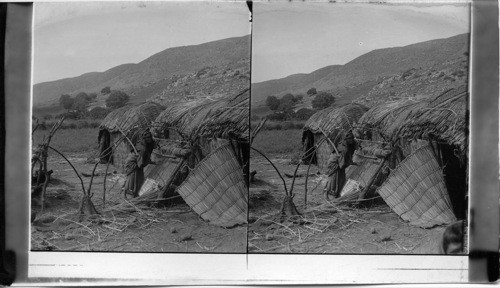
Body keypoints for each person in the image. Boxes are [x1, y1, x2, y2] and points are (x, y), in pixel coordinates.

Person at [325, 131, 357, 199]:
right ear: (346, 139)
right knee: (335, 179)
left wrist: (351, 162)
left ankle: (335, 193)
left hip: (339, 163)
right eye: (350, 138)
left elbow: (348, 156)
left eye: (352, 138)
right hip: (335, 163)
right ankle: (331, 194)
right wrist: (349, 163)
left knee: (341, 179)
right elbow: (342, 163)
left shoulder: (349, 145)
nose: (352, 140)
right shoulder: (343, 147)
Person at [123, 130, 155, 198]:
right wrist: (146, 162)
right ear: (144, 138)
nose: (149, 138)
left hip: (138, 163)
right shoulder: (142, 147)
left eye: (150, 137)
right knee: (133, 179)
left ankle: (134, 194)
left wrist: (149, 161)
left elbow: (147, 156)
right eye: (147, 137)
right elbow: (140, 161)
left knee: (139, 179)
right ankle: (129, 196)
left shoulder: (148, 144)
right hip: (133, 163)